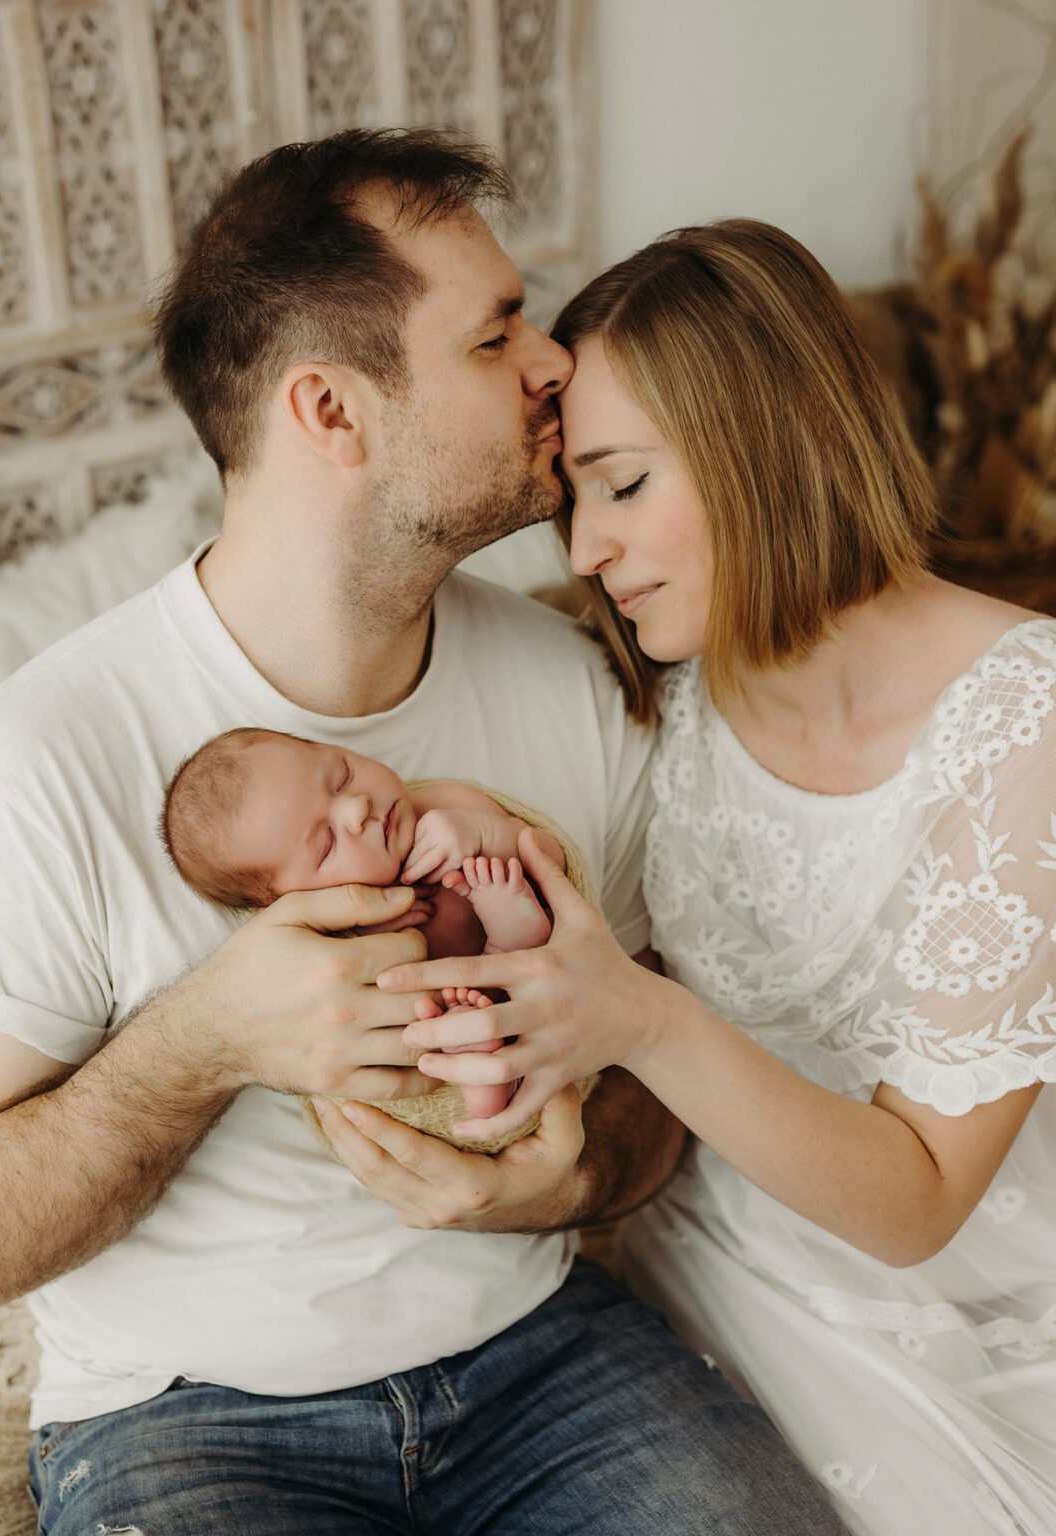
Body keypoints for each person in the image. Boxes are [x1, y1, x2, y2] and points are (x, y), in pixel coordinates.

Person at [0, 135, 846, 1535]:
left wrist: (573, 1175)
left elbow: (655, 1066)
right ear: (330, 409)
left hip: (543, 1361)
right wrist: (203, 1043)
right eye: (495, 335)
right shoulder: (42, 757)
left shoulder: (572, 686)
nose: (553, 363)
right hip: (186, 1420)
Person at [382, 219, 1056, 1534]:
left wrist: (638, 1017)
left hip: (945, 1285)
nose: (583, 549)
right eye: (572, 499)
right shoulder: (665, 681)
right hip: (699, 1258)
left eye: (622, 486)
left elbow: (918, 1201)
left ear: (770, 446)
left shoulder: (1020, 722)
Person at [162, 723, 576, 1124]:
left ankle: (514, 934)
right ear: (289, 901)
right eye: (327, 843)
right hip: (459, 1019)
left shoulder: (444, 806)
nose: (356, 807)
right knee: (435, 1026)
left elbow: (554, 860)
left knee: (520, 909)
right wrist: (364, 941)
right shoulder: (321, 942)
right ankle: (481, 1071)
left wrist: (485, 833)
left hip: (542, 982)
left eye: (341, 777)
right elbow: (340, 1029)